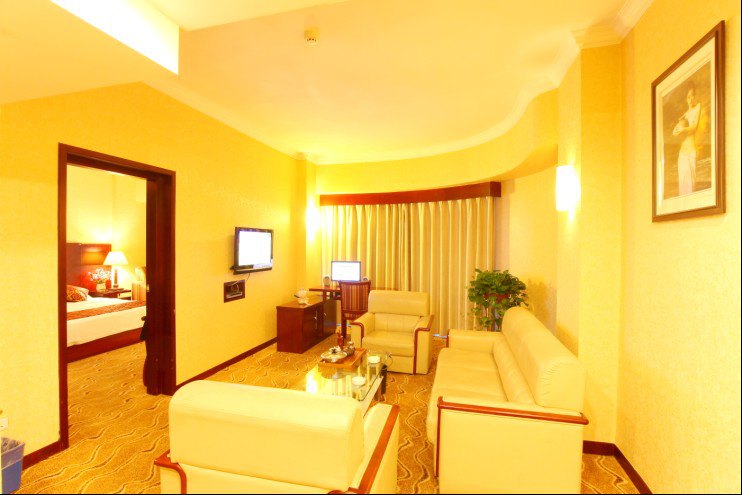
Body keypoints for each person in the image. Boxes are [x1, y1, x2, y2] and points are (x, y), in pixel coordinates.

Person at [672, 84, 701, 196]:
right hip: (682, 154)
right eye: (688, 97)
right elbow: (675, 131)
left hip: (690, 151)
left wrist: (683, 129)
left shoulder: (698, 107)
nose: (691, 99)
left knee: (691, 189)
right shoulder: (685, 115)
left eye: (692, 95)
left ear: (695, 95)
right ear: (686, 99)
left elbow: (694, 127)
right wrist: (676, 130)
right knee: (682, 190)